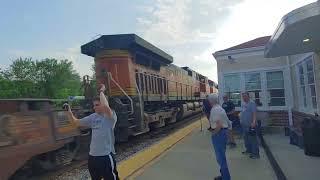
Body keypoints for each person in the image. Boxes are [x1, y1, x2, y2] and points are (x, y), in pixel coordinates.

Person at [66, 84, 120, 180]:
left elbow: (105, 106)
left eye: (96, 105)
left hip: (106, 157)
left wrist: (101, 91)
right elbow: (76, 123)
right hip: (92, 158)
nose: (94, 107)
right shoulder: (93, 117)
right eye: (93, 105)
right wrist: (68, 111)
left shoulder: (110, 117)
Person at [208, 94, 231, 180]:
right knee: (221, 157)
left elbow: (219, 125)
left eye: (209, 100)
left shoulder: (215, 110)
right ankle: (224, 176)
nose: (208, 102)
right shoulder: (220, 108)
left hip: (219, 134)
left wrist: (213, 133)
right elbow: (228, 123)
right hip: (222, 133)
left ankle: (226, 178)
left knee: (220, 158)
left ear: (211, 101)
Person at [240, 92, 260, 159]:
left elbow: (254, 113)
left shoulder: (252, 103)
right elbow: (243, 112)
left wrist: (253, 122)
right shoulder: (243, 103)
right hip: (244, 124)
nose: (244, 98)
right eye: (243, 96)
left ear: (248, 96)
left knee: (253, 140)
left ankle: (256, 154)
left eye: (245, 96)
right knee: (246, 139)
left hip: (251, 125)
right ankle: (249, 150)